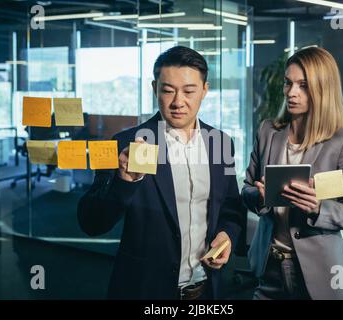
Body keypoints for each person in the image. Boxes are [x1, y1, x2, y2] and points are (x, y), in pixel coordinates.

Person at [77, 46, 244, 300]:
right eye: (167, 90)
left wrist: (227, 235)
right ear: (155, 88)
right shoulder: (125, 143)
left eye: (189, 91)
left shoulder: (220, 143)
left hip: (206, 291)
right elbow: (91, 222)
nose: (178, 102)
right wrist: (124, 182)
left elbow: (231, 208)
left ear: (205, 91)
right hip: (145, 290)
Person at [242, 47, 343, 300]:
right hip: (269, 267)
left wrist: (318, 208)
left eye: (303, 85)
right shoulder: (268, 131)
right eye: (288, 83)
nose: (291, 92)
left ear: (323, 89)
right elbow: (246, 189)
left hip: (322, 274)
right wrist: (260, 196)